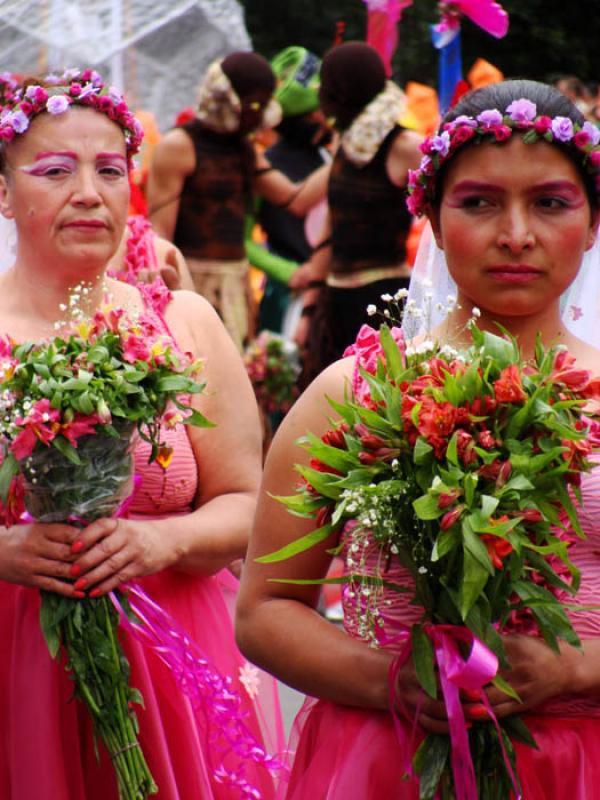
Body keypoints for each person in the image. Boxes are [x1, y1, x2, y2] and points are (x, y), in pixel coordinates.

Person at [236, 79, 600, 798]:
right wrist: (395, 681)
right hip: (387, 757)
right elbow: (266, 609)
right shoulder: (354, 394)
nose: (516, 234)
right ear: (430, 218)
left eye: (551, 203)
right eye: (479, 202)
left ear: (592, 224)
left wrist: (576, 667)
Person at [0, 69, 282, 800]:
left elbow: (249, 504)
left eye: (110, 170)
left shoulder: (182, 322)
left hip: (176, 657)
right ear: (3, 192)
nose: (89, 193)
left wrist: (163, 541)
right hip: (18, 665)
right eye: (56, 170)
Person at [147, 51, 330, 351]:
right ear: (229, 101)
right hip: (192, 280)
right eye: (254, 105)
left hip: (234, 285)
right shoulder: (179, 145)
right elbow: (160, 234)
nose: (260, 117)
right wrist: (173, 294)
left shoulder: (243, 148)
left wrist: (348, 154)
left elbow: (294, 198)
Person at [293, 41, 423, 387]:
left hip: (384, 301)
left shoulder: (405, 146)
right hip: (334, 302)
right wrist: (309, 309)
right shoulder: (348, 141)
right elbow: (331, 229)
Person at [251, 45, 330, 334]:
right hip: (286, 297)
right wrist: (289, 272)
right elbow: (240, 240)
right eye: (318, 113)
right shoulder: (263, 167)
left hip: (328, 290)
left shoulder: (327, 156)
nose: (326, 119)